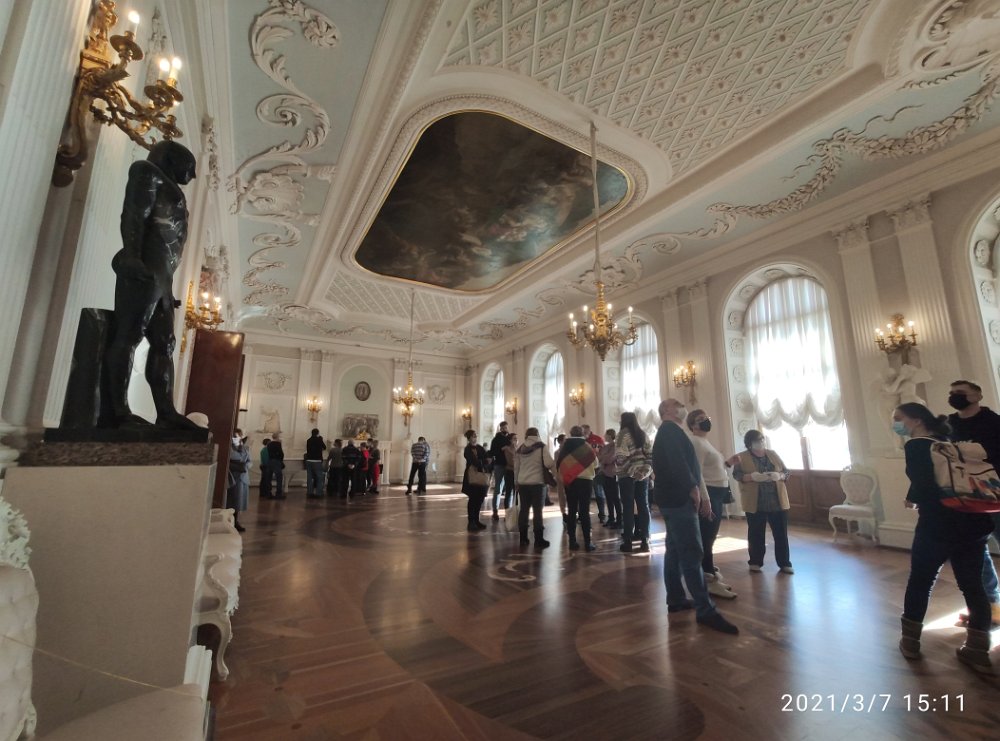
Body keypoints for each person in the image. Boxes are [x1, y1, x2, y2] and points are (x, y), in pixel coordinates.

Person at [101, 140, 200, 430]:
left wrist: (167, 287)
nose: (192, 174)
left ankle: (166, 413)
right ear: (171, 158)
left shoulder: (168, 185)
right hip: (145, 267)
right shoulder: (146, 171)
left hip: (163, 277)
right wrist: (132, 256)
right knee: (129, 335)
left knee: (165, 343)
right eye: (189, 166)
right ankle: (117, 413)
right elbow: (134, 214)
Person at [894, 402, 994, 672]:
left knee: (921, 582)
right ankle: (977, 651)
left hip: (937, 525)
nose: (895, 424)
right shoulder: (949, 443)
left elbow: (925, 485)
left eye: (899, 418)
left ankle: (910, 643)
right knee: (973, 586)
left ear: (916, 420)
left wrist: (914, 499)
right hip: (973, 522)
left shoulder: (916, 445)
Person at [653, 399, 738, 635]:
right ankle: (705, 609)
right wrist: (693, 489)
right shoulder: (670, 431)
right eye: (676, 404)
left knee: (674, 551)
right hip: (679, 499)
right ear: (667, 411)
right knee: (692, 552)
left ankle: (676, 599)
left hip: (672, 499)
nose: (682, 406)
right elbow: (679, 465)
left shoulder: (670, 432)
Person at [947, 379, 1000, 627]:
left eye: (960, 392)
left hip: (996, 492)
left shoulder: (994, 422)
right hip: (965, 494)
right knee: (975, 550)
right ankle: (991, 603)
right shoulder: (949, 424)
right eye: (952, 393)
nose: (954, 396)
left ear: (977, 395)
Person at [687, 409, 737, 599]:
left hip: (716, 493)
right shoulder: (696, 441)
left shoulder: (705, 441)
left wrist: (728, 463)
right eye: (700, 419)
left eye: (706, 418)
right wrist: (705, 498)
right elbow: (697, 472)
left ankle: (708, 573)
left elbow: (713, 468)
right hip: (710, 493)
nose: (706, 421)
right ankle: (708, 580)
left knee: (710, 537)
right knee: (707, 537)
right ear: (693, 425)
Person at [732, 430, 792, 573]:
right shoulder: (741, 457)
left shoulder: (772, 454)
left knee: (781, 534)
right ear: (749, 444)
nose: (760, 442)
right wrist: (751, 477)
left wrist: (780, 475)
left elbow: (786, 471)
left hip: (777, 501)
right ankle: (755, 562)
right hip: (755, 502)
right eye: (757, 440)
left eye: (762, 439)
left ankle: (784, 563)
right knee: (756, 534)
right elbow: (736, 474)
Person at [557, 426, 598, 551]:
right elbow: (595, 463)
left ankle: (572, 542)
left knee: (572, 511)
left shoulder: (565, 447)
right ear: (582, 433)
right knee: (584, 511)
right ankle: (588, 543)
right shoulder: (586, 446)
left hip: (570, 481)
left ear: (570, 433)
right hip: (585, 481)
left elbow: (559, 463)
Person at [615, 412, 652, 553]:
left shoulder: (622, 435)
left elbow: (620, 458)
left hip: (626, 477)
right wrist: (643, 472)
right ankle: (645, 540)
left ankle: (628, 541)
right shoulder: (643, 434)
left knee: (628, 508)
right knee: (643, 506)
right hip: (642, 477)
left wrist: (632, 472)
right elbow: (650, 455)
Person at [515, 427, 556, 549]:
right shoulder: (541, 446)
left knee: (524, 510)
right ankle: (538, 540)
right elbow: (549, 463)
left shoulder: (520, 448)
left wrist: (516, 482)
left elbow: (516, 468)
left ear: (527, 435)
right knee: (537, 512)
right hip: (537, 483)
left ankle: (523, 538)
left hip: (523, 483)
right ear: (537, 434)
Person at [462, 430, 491, 531]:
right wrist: (484, 461)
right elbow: (474, 461)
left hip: (481, 476)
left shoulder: (480, 448)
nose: (475, 438)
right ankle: (471, 522)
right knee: (473, 499)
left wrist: (484, 461)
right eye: (473, 436)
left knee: (480, 499)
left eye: (476, 436)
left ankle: (477, 520)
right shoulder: (467, 449)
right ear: (469, 438)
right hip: (472, 476)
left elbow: (487, 458)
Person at [226, 429, 250, 532]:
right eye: (235, 436)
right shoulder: (229, 447)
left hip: (243, 477)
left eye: (239, 436)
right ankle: (230, 522)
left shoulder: (245, 447)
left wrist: (246, 466)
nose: (237, 438)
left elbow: (249, 461)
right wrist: (240, 449)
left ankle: (236, 521)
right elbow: (236, 457)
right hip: (233, 476)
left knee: (239, 502)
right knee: (232, 501)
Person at [582, 424, 607, 523]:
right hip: (584, 470)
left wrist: (599, 461)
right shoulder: (581, 441)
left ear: (589, 431)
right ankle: (583, 515)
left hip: (597, 469)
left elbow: (603, 452)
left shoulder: (597, 439)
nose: (584, 434)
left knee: (599, 493)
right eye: (582, 432)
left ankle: (602, 515)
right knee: (584, 494)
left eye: (585, 432)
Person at [489, 422, 513, 520]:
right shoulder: (495, 439)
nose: (505, 429)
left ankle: (508, 512)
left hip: (509, 466)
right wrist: (501, 449)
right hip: (499, 465)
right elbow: (492, 452)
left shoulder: (510, 438)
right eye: (503, 428)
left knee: (509, 490)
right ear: (500, 428)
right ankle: (495, 510)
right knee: (498, 488)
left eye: (506, 427)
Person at [598, 428, 621, 529]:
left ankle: (619, 519)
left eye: (606, 434)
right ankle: (611, 518)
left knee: (615, 498)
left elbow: (610, 459)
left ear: (610, 435)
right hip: (605, 473)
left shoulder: (616, 446)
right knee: (608, 498)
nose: (604, 436)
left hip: (613, 474)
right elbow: (599, 457)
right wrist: (603, 458)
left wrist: (603, 458)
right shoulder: (605, 446)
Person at [305, 428, 326, 499]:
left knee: (309, 477)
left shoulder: (308, 440)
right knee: (319, 477)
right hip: (317, 460)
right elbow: (324, 447)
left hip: (309, 460)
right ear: (317, 433)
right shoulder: (319, 440)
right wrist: (321, 439)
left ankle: (309, 492)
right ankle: (318, 493)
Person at [266, 432, 286, 500]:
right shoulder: (278, 443)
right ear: (277, 437)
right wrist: (281, 460)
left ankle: (268, 493)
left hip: (270, 461)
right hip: (277, 461)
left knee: (269, 478)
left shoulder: (269, 444)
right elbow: (281, 453)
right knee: (279, 478)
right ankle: (278, 494)